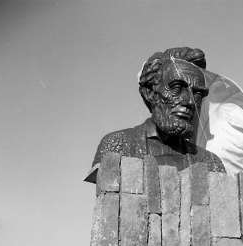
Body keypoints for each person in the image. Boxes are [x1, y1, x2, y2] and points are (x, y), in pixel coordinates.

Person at [91, 47, 225, 174]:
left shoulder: (211, 164)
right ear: (150, 93)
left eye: (197, 94)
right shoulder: (118, 146)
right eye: (176, 88)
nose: (190, 101)